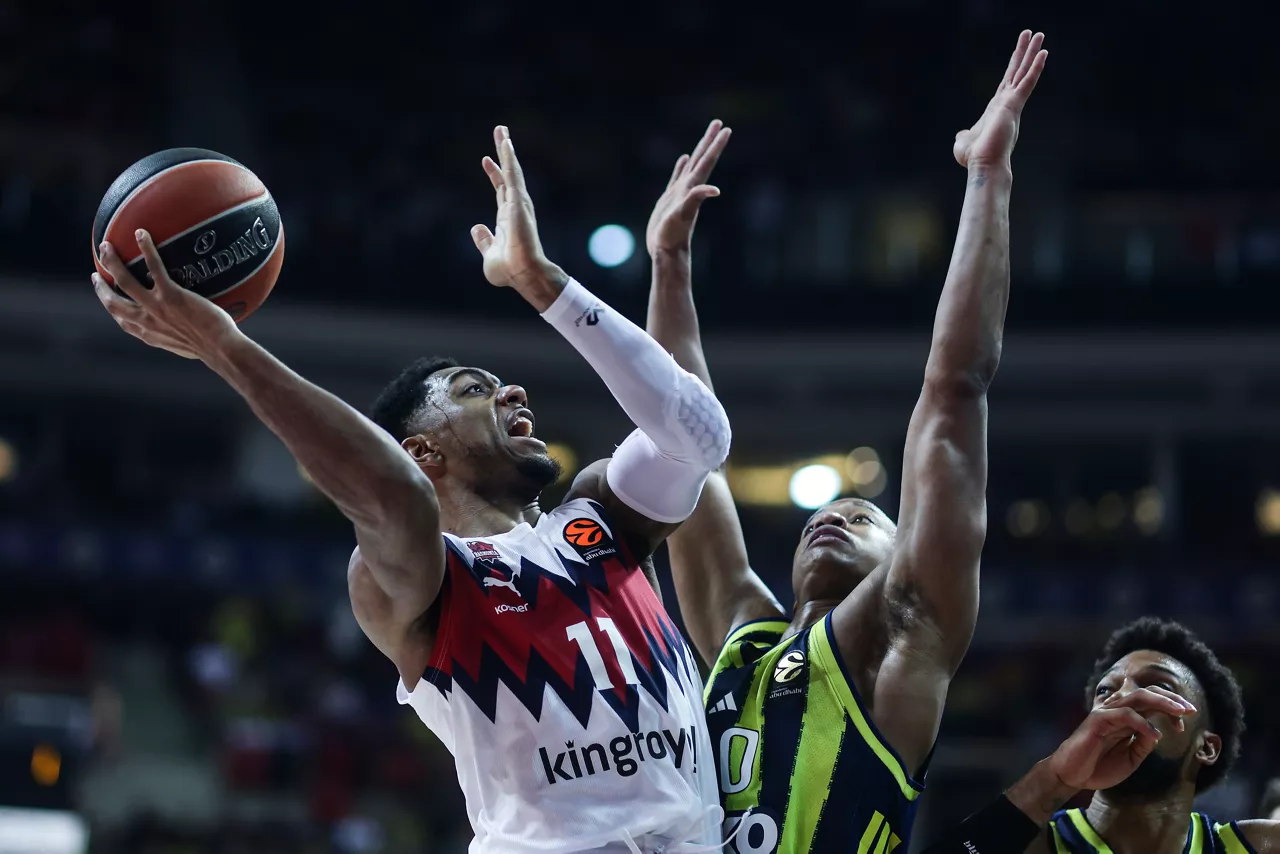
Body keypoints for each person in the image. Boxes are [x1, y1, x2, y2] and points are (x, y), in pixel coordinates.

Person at [91, 126, 732, 853]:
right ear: (422, 449)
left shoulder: (603, 525)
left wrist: (555, 279)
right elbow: (392, 493)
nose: (512, 391)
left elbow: (696, 435)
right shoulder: (418, 579)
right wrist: (223, 345)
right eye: (473, 389)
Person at [643, 31, 1047, 852]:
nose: (832, 516)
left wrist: (987, 177)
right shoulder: (742, 637)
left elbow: (954, 390)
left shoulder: (901, 634)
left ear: (907, 553)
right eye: (827, 513)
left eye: (865, 515)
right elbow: (678, 431)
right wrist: (669, 264)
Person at [919, 617, 1279, 854]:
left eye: (1158, 687)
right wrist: (1053, 780)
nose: (1123, 697)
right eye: (1105, 692)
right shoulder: (1032, 845)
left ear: (1206, 747)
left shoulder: (1258, 847)